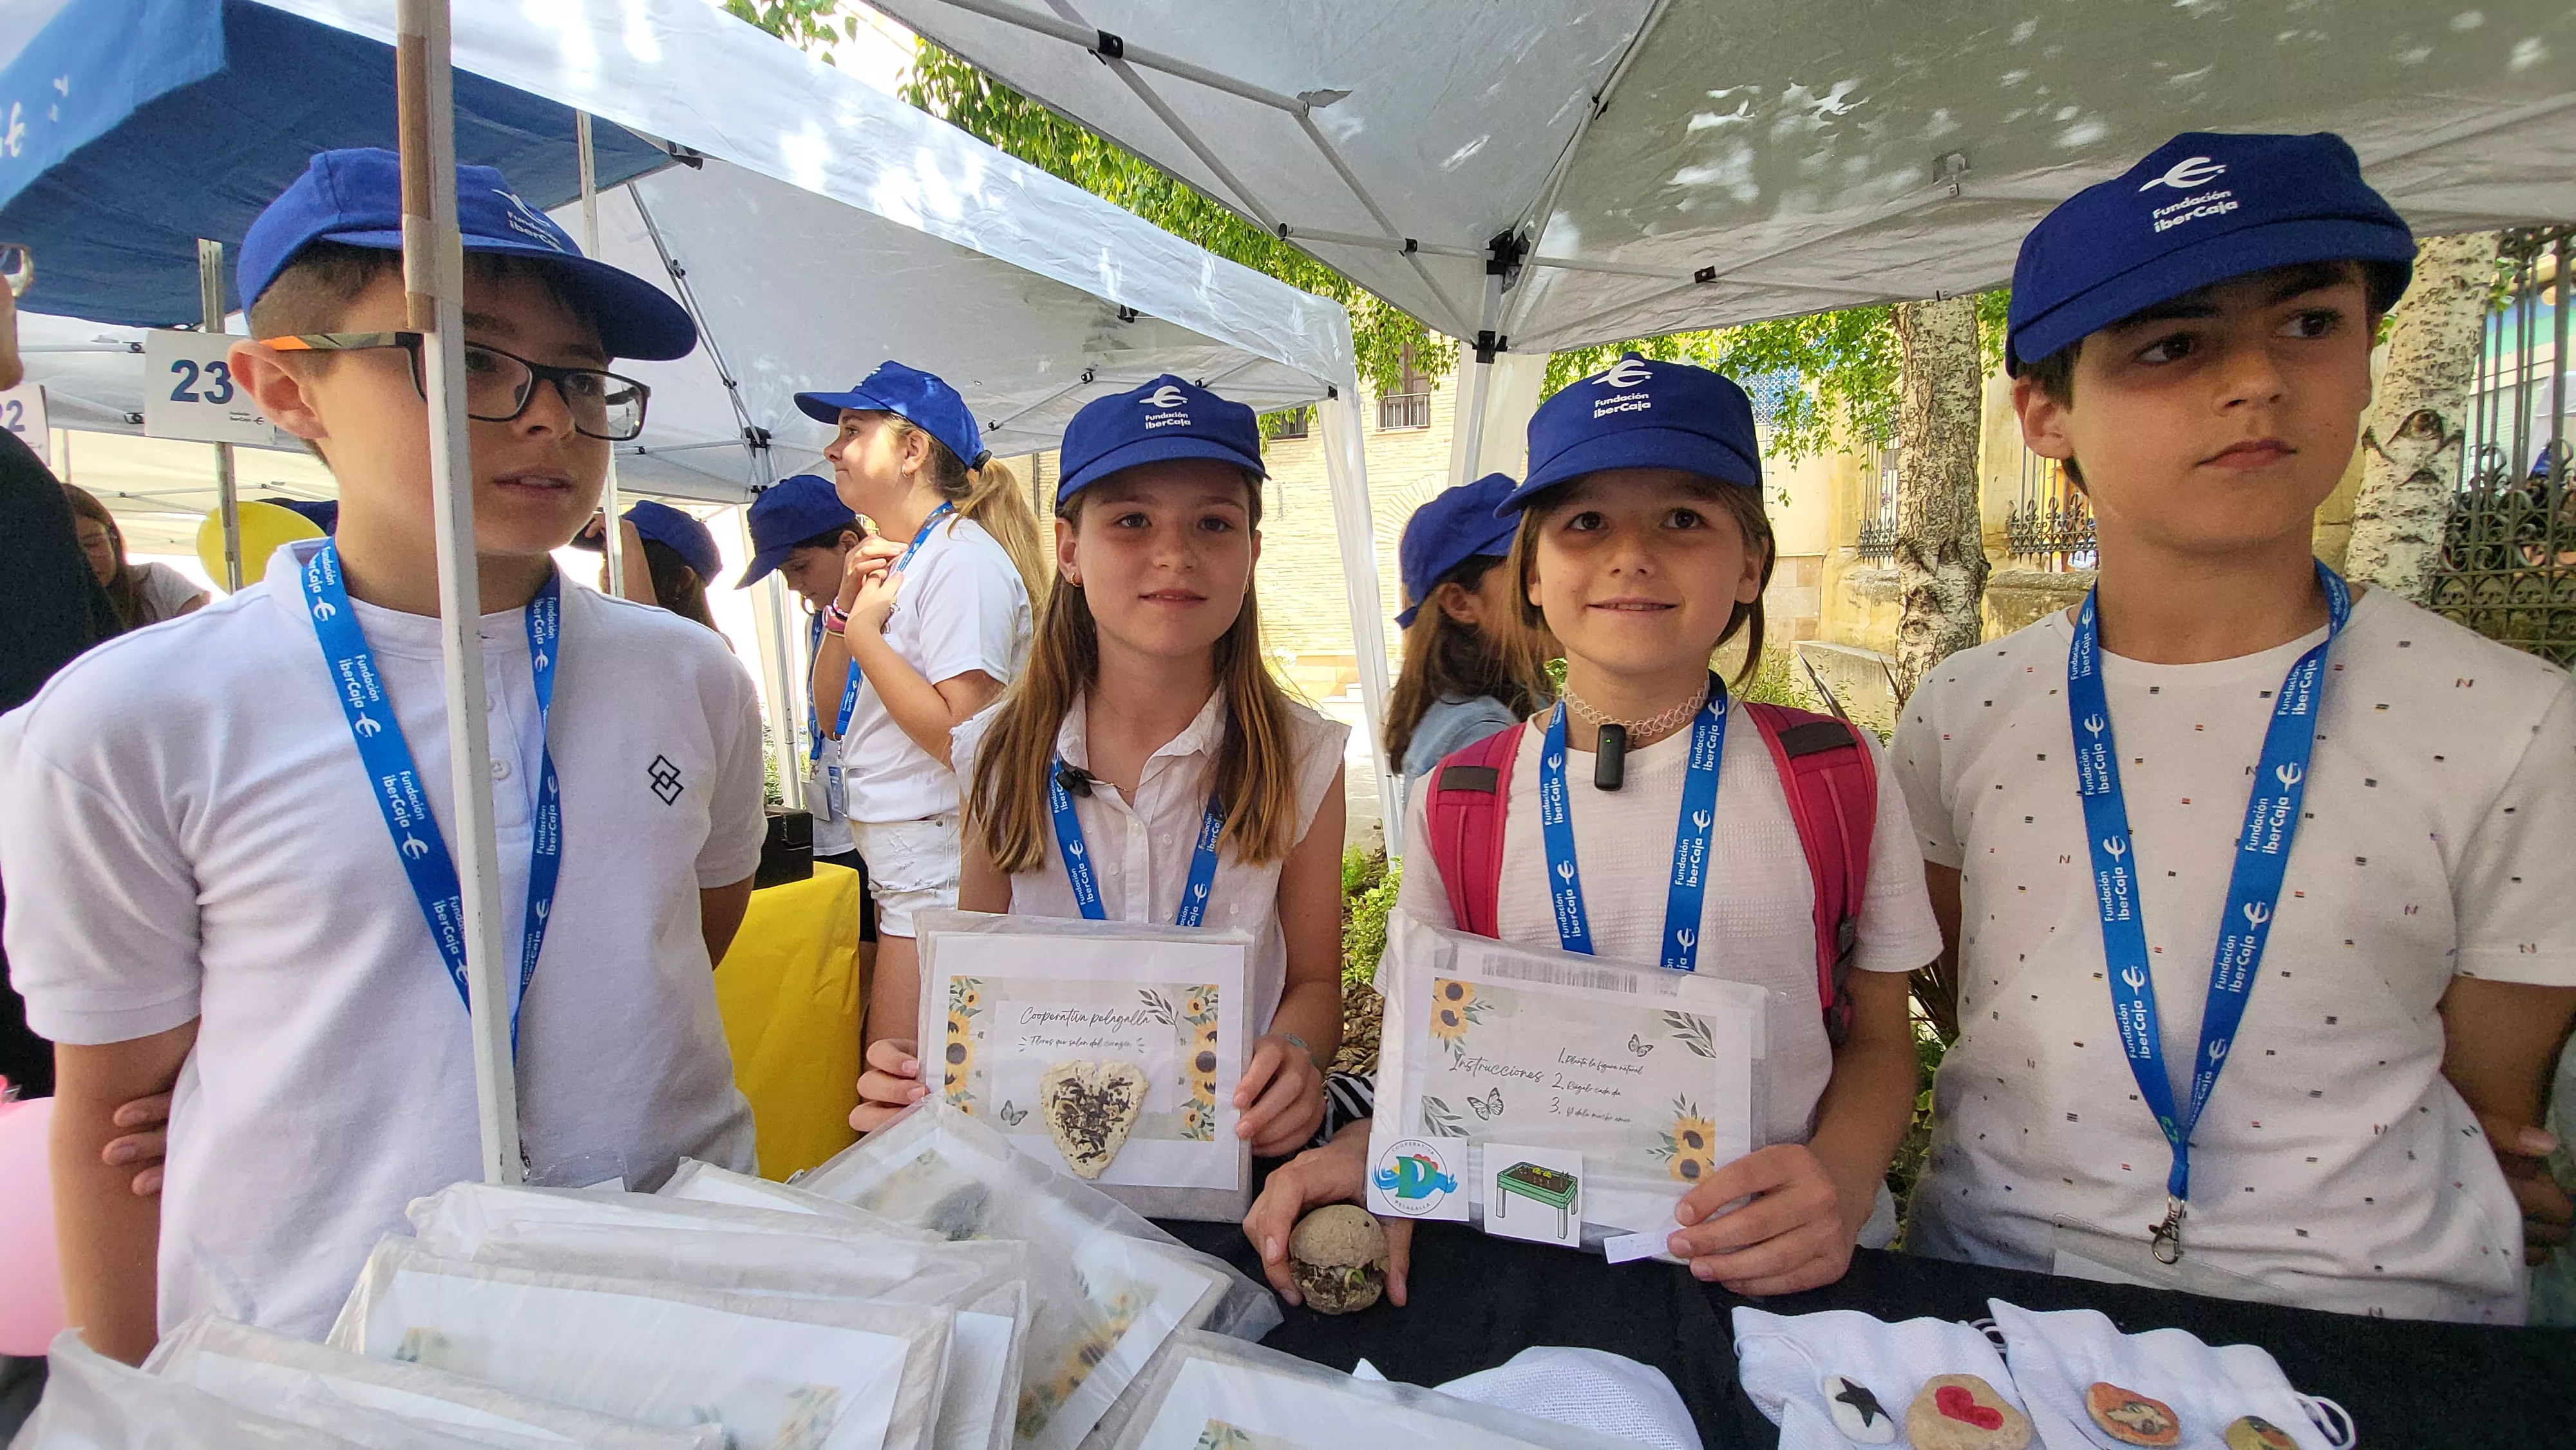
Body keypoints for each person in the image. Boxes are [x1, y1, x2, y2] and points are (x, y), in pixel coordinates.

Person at [0, 147, 764, 1361]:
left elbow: (684, 938)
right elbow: (109, 1117)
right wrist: (132, 1400)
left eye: (579, 377)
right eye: (469, 360)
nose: (549, 417)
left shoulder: (693, 676)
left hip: (686, 1327)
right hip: (320, 1361)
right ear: (283, 387)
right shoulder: (129, 719)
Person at [1893, 132, 2576, 1324]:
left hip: (2378, 1319)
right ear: (2046, 411)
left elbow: (2484, 1091)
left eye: (2311, 322)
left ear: (2370, 353)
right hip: (2000, 1289)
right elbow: (1969, 992)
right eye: (2175, 344)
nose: (2255, 379)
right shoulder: (1966, 707)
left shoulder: (2516, 721)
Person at [1247, 356, 1943, 1304]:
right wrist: (1375, 1151)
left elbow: (1878, 1037)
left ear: (1750, 564)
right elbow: (1434, 1061)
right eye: (1585, 524)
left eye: (1684, 519)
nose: (1632, 555)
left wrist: (1845, 1178)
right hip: (1528, 1259)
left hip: (1774, 1271)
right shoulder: (1465, 797)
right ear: (1532, 573)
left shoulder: (1833, 771)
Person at [851, 376, 1348, 1160]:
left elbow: (1317, 983)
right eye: (1131, 520)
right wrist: (922, 1082)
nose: (1174, 553)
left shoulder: (1303, 755)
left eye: (1214, 522)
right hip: (1046, 1166)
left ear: (1252, 550)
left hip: (1227, 1156)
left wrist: (1294, 1055)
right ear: (1070, 549)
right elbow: (975, 971)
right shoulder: (998, 752)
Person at [793, 361, 1046, 1053]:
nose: (831, 448)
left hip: (938, 858)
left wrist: (868, 634)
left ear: (912, 450)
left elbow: (960, 735)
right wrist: (845, 610)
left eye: (852, 429)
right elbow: (829, 715)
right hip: (906, 855)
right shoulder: (904, 559)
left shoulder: (962, 563)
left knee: (903, 1081)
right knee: (900, 1081)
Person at [736, 471, 879, 955]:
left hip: (885, 820)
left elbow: (839, 714)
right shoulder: (821, 620)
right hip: (836, 818)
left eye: (800, 567)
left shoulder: (893, 605)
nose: (797, 586)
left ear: (847, 543)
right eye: (785, 575)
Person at [1383, 471, 1550, 792]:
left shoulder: (1483, 710)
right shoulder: (1481, 732)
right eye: (1526, 570)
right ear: (1459, 603)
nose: (1547, 585)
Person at [574, 497, 727, 638]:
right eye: (606, 559)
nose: (608, 573)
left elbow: (653, 642)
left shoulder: (709, 646)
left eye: (628, 560)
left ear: (682, 579)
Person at [63, 484, 205, 628]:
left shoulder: (156, 583)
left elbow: (203, 636)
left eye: (93, 544)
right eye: (68, 550)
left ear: (113, 540)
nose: (85, 559)